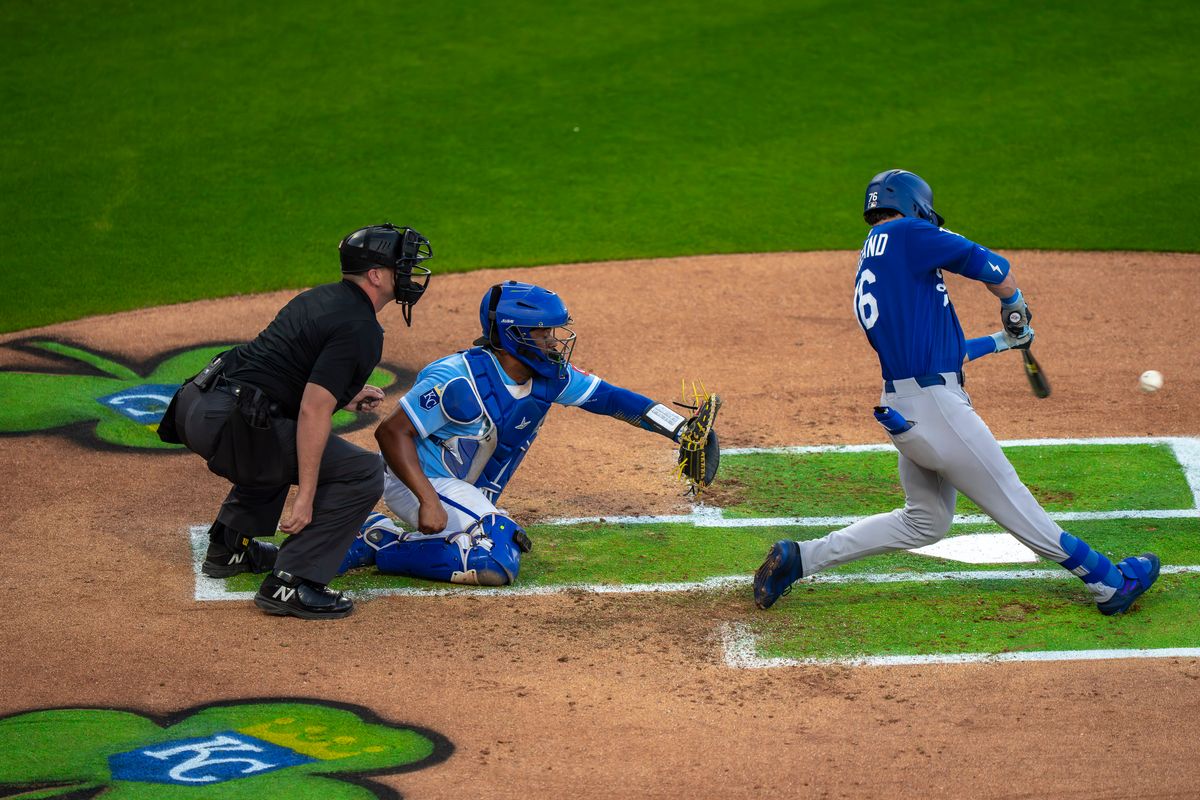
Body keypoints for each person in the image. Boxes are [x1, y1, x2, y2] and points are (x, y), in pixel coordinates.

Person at [753, 170, 1159, 615]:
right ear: (916, 206)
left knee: (924, 522)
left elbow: (939, 352)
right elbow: (996, 268)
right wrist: (1013, 303)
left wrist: (1003, 341)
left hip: (906, 410)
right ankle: (1110, 583)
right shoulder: (911, 232)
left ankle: (801, 558)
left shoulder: (874, 257)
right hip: (937, 411)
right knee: (1016, 505)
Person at [336, 280, 718, 586]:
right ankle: (382, 541)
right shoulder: (457, 379)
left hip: (460, 486)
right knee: (496, 556)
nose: (554, 342)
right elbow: (390, 434)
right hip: (416, 481)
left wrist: (679, 428)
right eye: (543, 333)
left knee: (490, 539)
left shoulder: (547, 377)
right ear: (514, 334)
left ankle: (431, 529)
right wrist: (428, 500)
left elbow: (610, 398)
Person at [159, 223, 433, 619]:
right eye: (402, 266)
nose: (410, 275)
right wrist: (305, 496)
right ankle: (293, 582)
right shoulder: (361, 328)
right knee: (360, 471)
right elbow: (312, 411)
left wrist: (345, 394)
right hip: (229, 421)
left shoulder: (321, 299)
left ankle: (229, 547)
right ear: (376, 275)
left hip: (198, 404)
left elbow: (281, 374)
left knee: (274, 432)